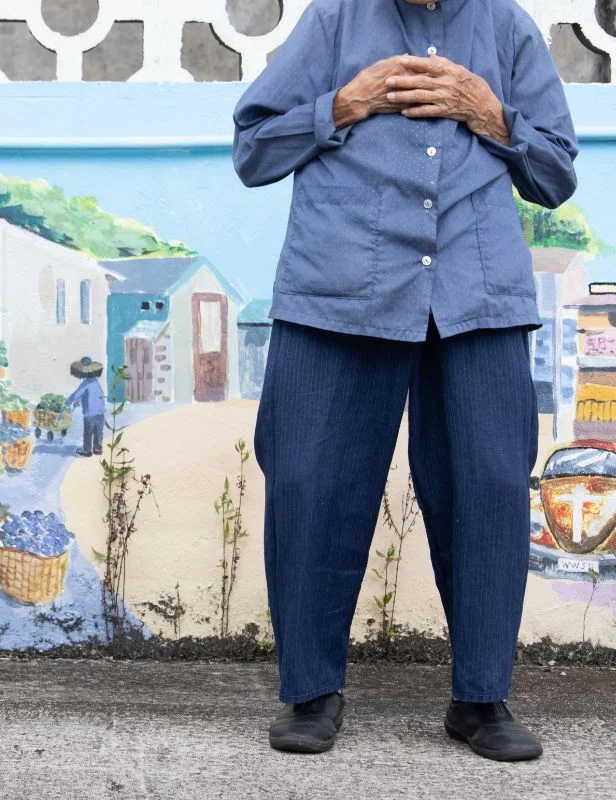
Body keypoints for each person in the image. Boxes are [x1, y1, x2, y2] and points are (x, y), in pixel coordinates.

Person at [232, 0, 577, 761]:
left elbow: (556, 175)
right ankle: (311, 692)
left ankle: (482, 700)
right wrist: (345, 103)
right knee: (312, 484)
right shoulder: (333, 22)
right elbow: (253, 150)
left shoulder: (508, 28)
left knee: (487, 488)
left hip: (476, 295)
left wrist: (495, 117)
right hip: (339, 288)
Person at [66, 357, 105, 458]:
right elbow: (91, 394)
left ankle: (87, 450)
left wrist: (68, 402)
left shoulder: (86, 383)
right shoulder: (96, 382)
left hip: (90, 413)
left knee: (88, 432)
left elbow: (77, 394)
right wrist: (79, 401)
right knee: (98, 431)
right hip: (100, 411)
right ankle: (97, 448)